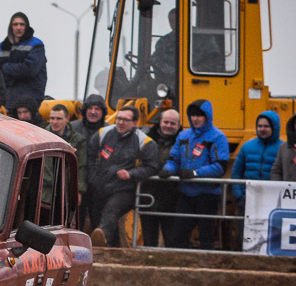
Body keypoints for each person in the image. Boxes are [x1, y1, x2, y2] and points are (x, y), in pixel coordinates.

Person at [160, 99, 230, 250]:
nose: (195, 119)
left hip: (208, 194)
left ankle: (207, 262)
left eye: (199, 115)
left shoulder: (218, 137)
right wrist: (168, 170)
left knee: (206, 236)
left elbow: (220, 166)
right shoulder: (183, 135)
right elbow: (174, 159)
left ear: (207, 116)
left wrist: (195, 173)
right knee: (178, 236)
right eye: (193, 115)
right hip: (186, 193)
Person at [85, 106, 159, 247]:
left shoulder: (144, 141)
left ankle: (102, 238)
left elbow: (151, 167)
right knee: (97, 218)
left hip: (124, 189)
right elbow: (90, 157)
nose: (120, 122)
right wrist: (94, 178)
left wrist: (131, 174)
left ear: (135, 122)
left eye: (125, 120)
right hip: (101, 186)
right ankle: (109, 248)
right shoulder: (102, 133)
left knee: (111, 210)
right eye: (118, 118)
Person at [140, 109, 182, 247]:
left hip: (172, 199)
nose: (168, 126)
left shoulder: (183, 142)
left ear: (178, 125)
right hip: (148, 196)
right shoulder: (146, 139)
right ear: (160, 122)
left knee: (172, 241)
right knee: (149, 240)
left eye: (173, 123)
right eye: (166, 122)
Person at [0, 12, 48, 107]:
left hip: (30, 97)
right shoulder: (1, 47)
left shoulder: (36, 45)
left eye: (22, 24)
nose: (19, 27)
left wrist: (6, 67)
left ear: (26, 26)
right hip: (7, 98)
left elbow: (30, 70)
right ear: (11, 27)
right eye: (15, 24)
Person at [231, 110, 281, 203]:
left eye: (266, 126)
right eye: (259, 126)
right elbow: (236, 172)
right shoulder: (247, 146)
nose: (262, 129)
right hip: (247, 199)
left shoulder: (283, 148)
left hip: (273, 200)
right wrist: (238, 195)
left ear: (274, 127)